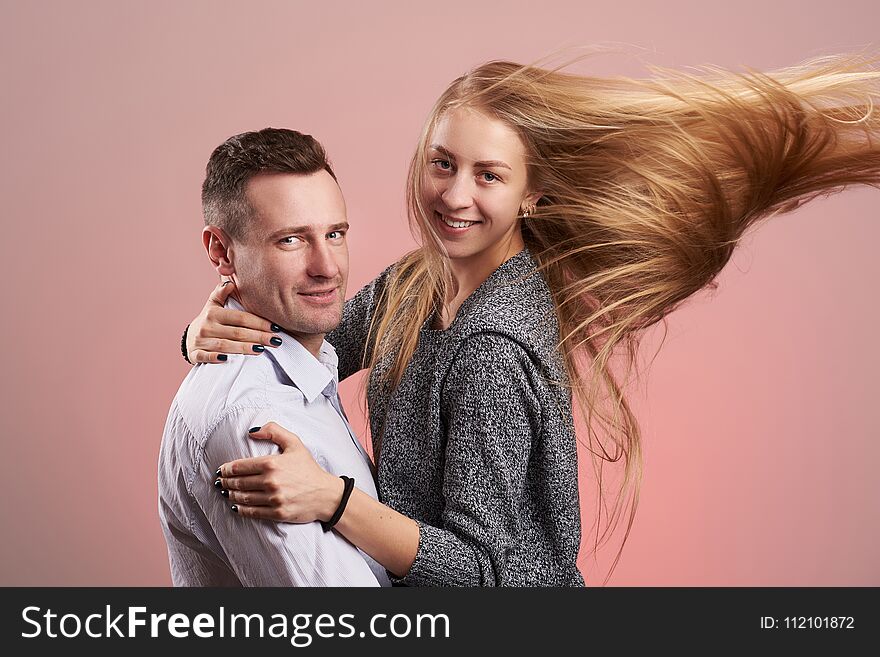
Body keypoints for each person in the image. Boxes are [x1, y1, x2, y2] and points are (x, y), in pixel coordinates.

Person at [185, 54, 880, 585]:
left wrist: (334, 502)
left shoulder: (492, 347)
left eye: (488, 175)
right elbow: (313, 341)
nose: (454, 195)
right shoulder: (419, 282)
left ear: (532, 194)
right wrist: (204, 329)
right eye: (442, 163)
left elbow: (485, 574)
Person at [159, 127, 391, 586]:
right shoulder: (254, 419)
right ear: (222, 251)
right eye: (291, 240)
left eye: (335, 233)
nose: (327, 267)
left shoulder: (308, 360)